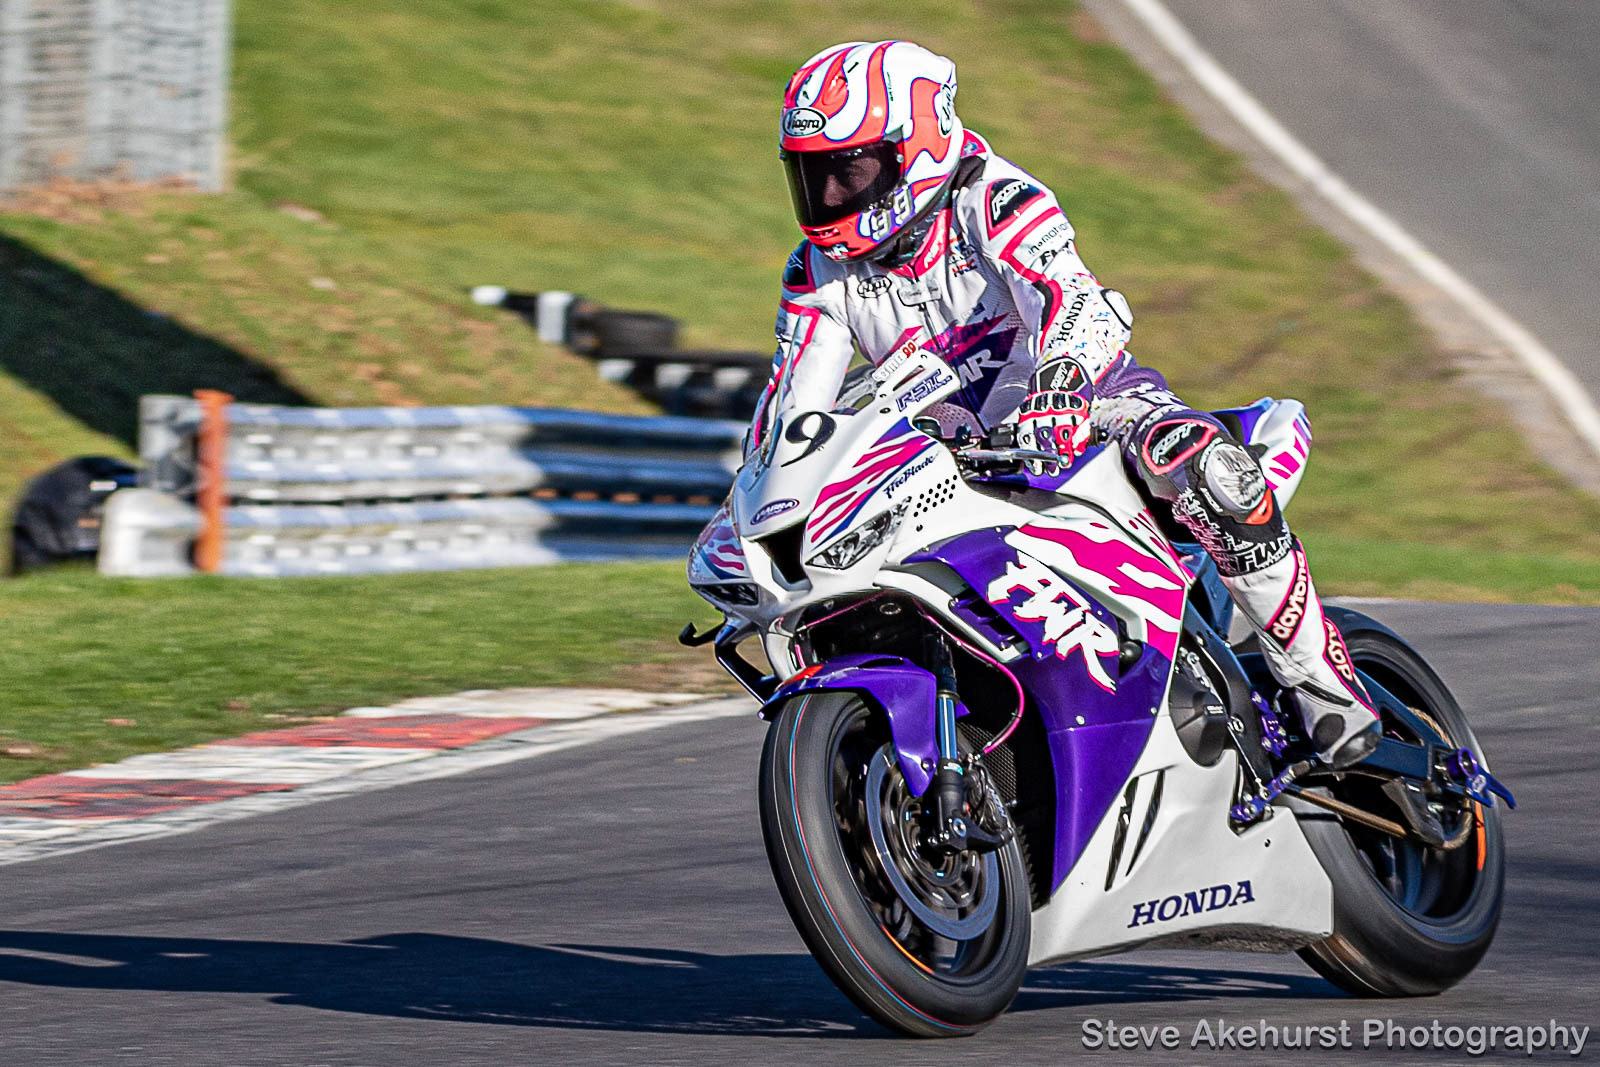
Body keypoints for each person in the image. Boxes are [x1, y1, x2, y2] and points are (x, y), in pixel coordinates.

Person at [749, 39, 1379, 767]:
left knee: (1201, 465)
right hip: (955, 458)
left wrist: (1060, 384)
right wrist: (759, 494)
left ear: (914, 149)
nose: (828, 198)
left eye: (849, 171)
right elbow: (793, 407)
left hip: (1089, 409)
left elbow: (1072, 297)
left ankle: (1322, 682)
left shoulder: (992, 198)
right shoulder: (818, 271)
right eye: (811, 175)